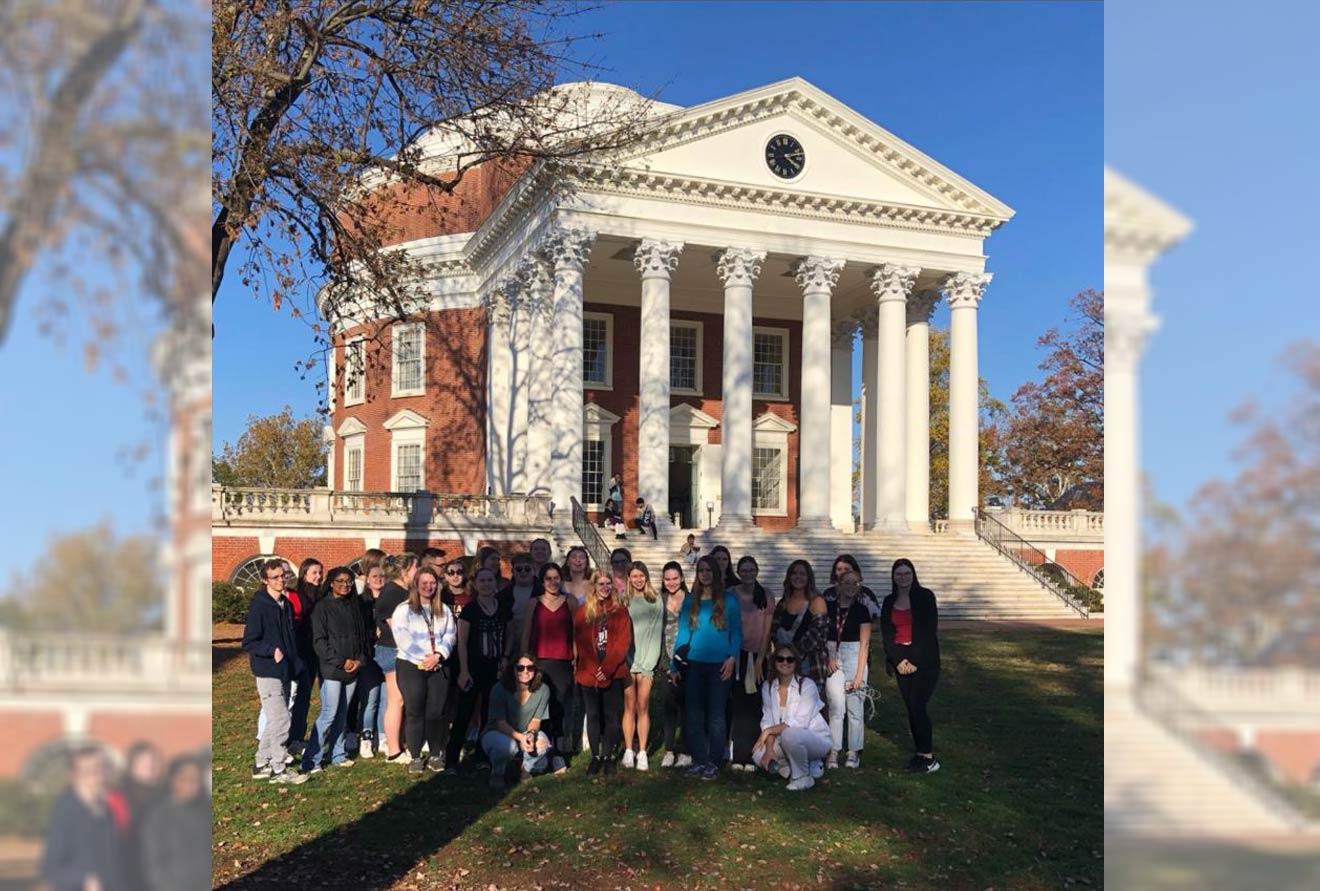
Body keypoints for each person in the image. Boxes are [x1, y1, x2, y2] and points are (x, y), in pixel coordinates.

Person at [673, 555, 742, 780]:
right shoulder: (690, 600)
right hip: (694, 664)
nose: (705, 574)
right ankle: (698, 760)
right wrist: (675, 664)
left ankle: (714, 761)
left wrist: (732, 658)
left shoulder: (729, 600)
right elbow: (683, 633)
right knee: (693, 714)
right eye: (701, 570)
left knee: (716, 715)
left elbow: (736, 633)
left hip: (719, 665)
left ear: (716, 573)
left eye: (709, 570)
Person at [241, 558, 308, 783]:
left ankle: (261, 763)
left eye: (284, 576)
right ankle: (279, 769)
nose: (281, 580)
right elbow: (249, 641)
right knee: (281, 719)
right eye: (276, 577)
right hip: (267, 669)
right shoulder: (259, 605)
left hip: (286, 668)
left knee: (274, 719)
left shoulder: (286, 604)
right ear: (265, 580)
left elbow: (290, 639)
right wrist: (272, 651)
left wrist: (295, 664)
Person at [769, 559, 835, 773]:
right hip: (786, 666)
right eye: (794, 573)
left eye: (802, 574)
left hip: (809, 665)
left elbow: (818, 635)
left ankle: (817, 754)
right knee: (789, 709)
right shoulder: (783, 603)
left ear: (809, 578)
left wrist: (791, 654)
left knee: (810, 712)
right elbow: (774, 630)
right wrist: (782, 657)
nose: (798, 577)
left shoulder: (817, 602)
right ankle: (791, 753)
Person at [393, 566, 458, 775]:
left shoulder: (444, 609)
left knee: (436, 711)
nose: (428, 587)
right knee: (414, 710)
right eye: (424, 583)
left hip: (438, 663)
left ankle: (436, 753)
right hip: (411, 665)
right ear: (416, 585)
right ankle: (414, 755)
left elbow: (450, 635)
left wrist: (438, 655)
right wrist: (424, 658)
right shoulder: (404, 610)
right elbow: (402, 638)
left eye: (432, 583)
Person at [301, 565, 367, 772]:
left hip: (353, 668)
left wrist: (359, 660)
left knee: (343, 713)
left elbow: (361, 638)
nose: (346, 585)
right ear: (331, 584)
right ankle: (311, 759)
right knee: (329, 713)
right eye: (341, 581)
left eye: (349, 581)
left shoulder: (353, 606)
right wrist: (341, 661)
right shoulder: (322, 607)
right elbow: (319, 641)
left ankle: (337, 754)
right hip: (332, 669)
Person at [446, 566, 513, 769]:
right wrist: (464, 670)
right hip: (473, 667)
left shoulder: (502, 607)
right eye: (482, 581)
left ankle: (482, 756)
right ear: (475, 584)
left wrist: (506, 657)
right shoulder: (470, 609)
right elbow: (462, 642)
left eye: (489, 580)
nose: (486, 584)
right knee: (464, 713)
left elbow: (509, 634)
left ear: (495, 584)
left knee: (488, 713)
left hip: (495, 667)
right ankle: (451, 759)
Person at [880, 558, 941, 774]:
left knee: (918, 705)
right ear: (893, 577)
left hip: (924, 660)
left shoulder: (925, 597)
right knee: (911, 709)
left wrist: (913, 659)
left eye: (907, 573)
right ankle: (919, 753)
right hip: (901, 659)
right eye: (899, 574)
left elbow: (927, 631)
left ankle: (928, 756)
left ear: (913, 575)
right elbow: (887, 633)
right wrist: (899, 660)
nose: (903, 577)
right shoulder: (889, 601)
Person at [41, 746, 128, 891]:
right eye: (88, 771)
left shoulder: (105, 810)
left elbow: (113, 863)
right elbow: (50, 868)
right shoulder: (66, 809)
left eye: (100, 769)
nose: (96, 775)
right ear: (74, 775)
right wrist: (84, 879)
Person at [573, 568, 633, 776]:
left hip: (612, 671)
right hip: (588, 671)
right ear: (594, 586)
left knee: (611, 716)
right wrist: (593, 669)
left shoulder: (620, 611)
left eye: (609, 584)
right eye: (601, 584)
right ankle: (595, 756)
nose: (605, 588)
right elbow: (581, 645)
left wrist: (606, 669)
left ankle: (608, 756)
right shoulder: (582, 612)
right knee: (592, 714)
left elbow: (622, 643)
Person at [754, 643, 832, 791]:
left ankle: (802, 777)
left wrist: (768, 731)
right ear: (774, 661)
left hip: (815, 739)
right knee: (758, 754)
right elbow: (768, 720)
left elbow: (798, 723)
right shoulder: (768, 686)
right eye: (780, 659)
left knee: (790, 734)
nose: (785, 663)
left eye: (790, 660)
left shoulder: (807, 685)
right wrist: (769, 748)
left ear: (796, 663)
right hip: (785, 739)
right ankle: (790, 768)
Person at [521, 562, 577, 758]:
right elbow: (527, 633)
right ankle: (541, 745)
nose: (553, 582)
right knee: (541, 704)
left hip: (563, 659)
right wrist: (524, 660)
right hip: (540, 661)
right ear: (542, 581)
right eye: (548, 579)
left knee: (560, 704)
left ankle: (560, 746)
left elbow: (575, 632)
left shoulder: (569, 601)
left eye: (556, 578)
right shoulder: (534, 603)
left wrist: (576, 657)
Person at [482, 654, 557, 790]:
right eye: (520, 668)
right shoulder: (499, 689)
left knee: (543, 744)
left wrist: (531, 734)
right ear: (512, 670)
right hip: (497, 732)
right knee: (508, 747)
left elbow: (536, 720)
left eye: (530, 668)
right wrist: (521, 738)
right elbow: (500, 723)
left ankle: (525, 770)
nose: (525, 672)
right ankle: (497, 773)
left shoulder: (543, 690)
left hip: (523, 732)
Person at [729, 556, 773, 771]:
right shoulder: (732, 595)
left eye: (750, 569)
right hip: (736, 655)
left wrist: (760, 660)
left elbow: (766, 631)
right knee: (738, 705)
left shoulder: (765, 595)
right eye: (743, 570)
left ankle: (753, 753)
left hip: (757, 657)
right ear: (738, 572)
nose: (747, 573)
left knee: (755, 705)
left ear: (756, 570)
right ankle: (738, 754)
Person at [372, 553, 418, 760]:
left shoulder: (403, 592)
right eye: (416, 568)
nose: (418, 572)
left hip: (403, 651)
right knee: (396, 699)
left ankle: (403, 741)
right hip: (392, 650)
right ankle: (393, 749)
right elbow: (397, 628)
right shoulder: (392, 594)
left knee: (404, 699)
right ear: (405, 570)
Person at [141, 755, 210, 891]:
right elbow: (153, 865)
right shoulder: (158, 817)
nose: (191, 785)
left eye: (195, 780)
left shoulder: (205, 811)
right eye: (186, 779)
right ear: (173, 780)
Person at [827, 568, 873, 768]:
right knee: (836, 706)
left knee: (855, 708)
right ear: (839, 584)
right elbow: (822, 634)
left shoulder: (862, 610)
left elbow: (865, 644)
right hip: (833, 657)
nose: (851, 587)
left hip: (855, 656)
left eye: (855, 583)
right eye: (847, 582)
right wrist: (828, 657)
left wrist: (859, 675)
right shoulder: (829, 607)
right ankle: (834, 750)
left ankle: (854, 750)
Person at [621, 561, 664, 770]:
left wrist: (649, 663)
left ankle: (643, 751)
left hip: (647, 660)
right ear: (629, 578)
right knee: (629, 706)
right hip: (628, 661)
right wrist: (626, 660)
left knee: (643, 705)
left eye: (641, 576)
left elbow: (656, 633)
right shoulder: (624, 600)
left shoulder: (655, 600)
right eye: (634, 576)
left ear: (646, 577)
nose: (638, 580)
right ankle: (629, 749)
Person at [350, 558, 388, 758]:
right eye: (374, 576)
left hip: (388, 653)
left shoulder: (391, 600)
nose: (379, 579)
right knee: (370, 698)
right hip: (369, 654)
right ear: (367, 580)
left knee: (386, 699)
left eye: (382, 576)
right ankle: (366, 737)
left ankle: (383, 737)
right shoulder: (361, 602)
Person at [285, 558, 324, 756]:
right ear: (304, 573)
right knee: (292, 696)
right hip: (299, 651)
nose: (318, 576)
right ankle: (287, 737)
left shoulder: (322, 594)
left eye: (320, 572)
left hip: (315, 652)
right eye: (314, 572)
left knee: (305, 696)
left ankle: (297, 736)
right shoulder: (295, 594)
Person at [658, 561, 691, 768]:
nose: (671, 582)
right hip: (666, 661)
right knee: (668, 707)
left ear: (682, 578)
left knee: (688, 708)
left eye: (675, 578)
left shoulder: (691, 600)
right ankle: (669, 749)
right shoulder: (660, 601)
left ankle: (687, 749)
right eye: (667, 579)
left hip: (689, 661)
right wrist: (666, 663)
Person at [118, 741, 163, 891]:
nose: (149, 767)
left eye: (152, 762)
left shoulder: (163, 795)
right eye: (143, 762)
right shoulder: (121, 797)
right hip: (131, 867)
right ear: (132, 765)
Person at [823, 554, 883, 619]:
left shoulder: (865, 594)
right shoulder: (829, 594)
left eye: (847, 569)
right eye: (839, 569)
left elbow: (878, 619)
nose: (843, 572)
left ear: (855, 571)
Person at [501, 553, 540, 632]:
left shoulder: (542, 592)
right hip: (510, 637)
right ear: (512, 571)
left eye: (527, 569)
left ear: (534, 570)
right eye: (519, 569)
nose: (523, 572)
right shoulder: (504, 594)